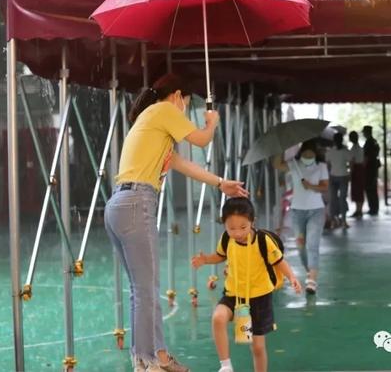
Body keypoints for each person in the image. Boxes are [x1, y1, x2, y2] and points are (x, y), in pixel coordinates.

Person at [104, 73, 247, 372]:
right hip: (136, 203)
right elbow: (201, 140)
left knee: (141, 289)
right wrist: (211, 122)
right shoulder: (164, 110)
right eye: (185, 103)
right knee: (145, 290)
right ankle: (147, 362)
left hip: (118, 205)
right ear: (178, 96)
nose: (183, 109)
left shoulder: (151, 122)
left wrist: (221, 183)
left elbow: (185, 165)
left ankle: (157, 356)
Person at [191, 197, 301, 372]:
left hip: (259, 297)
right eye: (231, 228)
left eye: (243, 227)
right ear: (225, 225)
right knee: (218, 318)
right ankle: (226, 366)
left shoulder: (263, 240)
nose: (238, 233)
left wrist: (292, 277)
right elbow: (221, 255)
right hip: (233, 294)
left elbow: (279, 260)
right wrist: (205, 260)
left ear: (252, 221)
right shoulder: (227, 239)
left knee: (257, 347)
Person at [273, 140, 328, 295]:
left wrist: (310, 186)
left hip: (316, 210)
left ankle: (312, 279)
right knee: (301, 246)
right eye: (305, 153)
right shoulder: (294, 164)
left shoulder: (321, 167)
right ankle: (309, 271)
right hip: (297, 211)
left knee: (312, 244)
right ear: (301, 152)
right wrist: (281, 148)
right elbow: (277, 164)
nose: (308, 155)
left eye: (311, 153)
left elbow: (324, 186)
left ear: (315, 153)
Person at [326, 132, 352, 229]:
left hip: (333, 176)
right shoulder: (345, 151)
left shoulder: (330, 152)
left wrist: (329, 174)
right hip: (344, 176)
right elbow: (351, 162)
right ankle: (344, 221)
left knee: (333, 199)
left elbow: (328, 165)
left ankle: (333, 221)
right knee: (342, 199)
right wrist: (350, 172)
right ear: (342, 140)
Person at [362, 125, 381, 216]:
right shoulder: (374, 142)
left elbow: (367, 157)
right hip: (373, 168)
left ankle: (373, 208)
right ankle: (374, 208)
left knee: (370, 188)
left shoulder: (369, 143)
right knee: (372, 188)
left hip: (369, 169)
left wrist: (363, 166)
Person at [348, 131, 365, 218]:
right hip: (361, 170)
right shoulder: (361, 148)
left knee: (356, 191)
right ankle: (359, 210)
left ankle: (358, 210)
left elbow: (352, 162)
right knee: (360, 191)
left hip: (356, 170)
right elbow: (364, 161)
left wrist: (350, 173)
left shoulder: (353, 149)